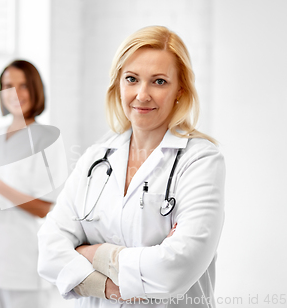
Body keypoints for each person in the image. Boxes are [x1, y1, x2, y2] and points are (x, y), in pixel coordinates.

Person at [37, 26, 226, 307]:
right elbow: (49, 249)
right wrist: (111, 288)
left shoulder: (200, 161)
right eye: (132, 79)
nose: (142, 94)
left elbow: (176, 267)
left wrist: (94, 253)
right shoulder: (95, 159)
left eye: (159, 82)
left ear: (180, 90)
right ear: (118, 84)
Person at [0, 60, 66, 308]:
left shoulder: (47, 140)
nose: (15, 94)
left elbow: (46, 208)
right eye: (8, 86)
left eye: (23, 86)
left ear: (36, 90)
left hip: (22, 263)